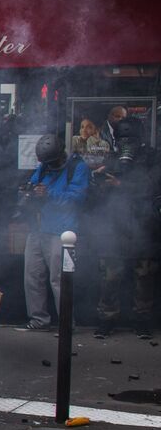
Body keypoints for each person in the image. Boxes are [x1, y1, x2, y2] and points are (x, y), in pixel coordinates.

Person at [92, 118, 160, 338]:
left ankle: (142, 321)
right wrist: (100, 180)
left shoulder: (152, 158)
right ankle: (107, 319)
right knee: (110, 278)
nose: (126, 144)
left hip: (142, 226)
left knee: (144, 278)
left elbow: (151, 186)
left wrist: (120, 184)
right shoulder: (112, 159)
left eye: (130, 139)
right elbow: (99, 196)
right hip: (115, 227)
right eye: (122, 139)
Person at [21, 133, 89, 331]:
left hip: (62, 232)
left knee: (59, 280)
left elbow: (77, 199)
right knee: (32, 276)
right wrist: (28, 191)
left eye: (51, 163)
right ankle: (38, 319)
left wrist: (49, 194)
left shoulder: (78, 167)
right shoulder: (44, 166)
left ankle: (67, 324)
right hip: (38, 228)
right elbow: (34, 184)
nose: (48, 167)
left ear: (60, 155)